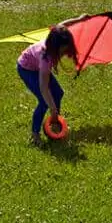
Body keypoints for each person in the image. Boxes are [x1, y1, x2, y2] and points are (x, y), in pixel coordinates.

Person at [17, 14, 91, 145]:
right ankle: (35, 134)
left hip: (37, 66)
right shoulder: (45, 58)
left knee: (58, 93)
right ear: (55, 48)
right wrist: (52, 108)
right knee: (44, 101)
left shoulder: (55, 35)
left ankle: (55, 122)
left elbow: (64, 24)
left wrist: (80, 19)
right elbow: (43, 87)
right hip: (26, 69)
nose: (65, 52)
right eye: (63, 50)